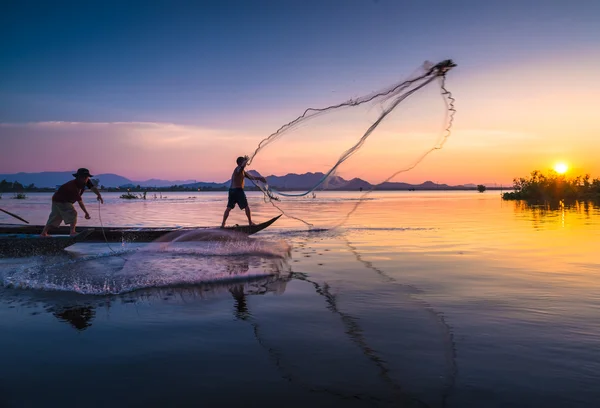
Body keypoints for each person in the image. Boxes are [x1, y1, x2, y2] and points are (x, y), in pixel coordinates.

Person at [41, 168, 104, 236]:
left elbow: (92, 187)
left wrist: (99, 195)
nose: (85, 179)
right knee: (72, 213)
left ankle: (43, 233)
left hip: (58, 199)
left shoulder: (86, 181)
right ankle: (72, 232)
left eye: (86, 177)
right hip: (61, 200)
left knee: (55, 216)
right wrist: (86, 213)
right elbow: (80, 202)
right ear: (78, 177)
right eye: (83, 177)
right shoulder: (72, 186)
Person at [221, 155, 266, 228]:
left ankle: (223, 224)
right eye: (243, 162)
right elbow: (241, 167)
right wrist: (245, 161)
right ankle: (250, 222)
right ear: (239, 163)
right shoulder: (238, 169)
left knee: (229, 208)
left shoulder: (242, 171)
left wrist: (260, 178)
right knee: (246, 206)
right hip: (237, 191)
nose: (244, 164)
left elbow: (251, 177)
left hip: (232, 191)